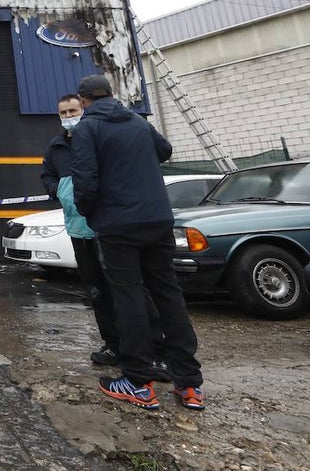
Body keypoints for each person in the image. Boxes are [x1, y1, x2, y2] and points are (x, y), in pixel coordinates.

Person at [69, 74, 204, 411]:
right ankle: (188, 384)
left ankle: (138, 382)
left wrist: (90, 212)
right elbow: (166, 150)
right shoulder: (137, 122)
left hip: (118, 225)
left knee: (127, 295)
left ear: (83, 100)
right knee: (168, 293)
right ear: (112, 94)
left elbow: (85, 181)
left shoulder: (88, 128)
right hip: (158, 219)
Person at [40, 94, 169, 377]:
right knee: (98, 291)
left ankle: (156, 350)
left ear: (83, 108)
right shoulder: (57, 146)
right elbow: (47, 174)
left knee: (132, 290)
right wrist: (59, 192)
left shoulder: (98, 135)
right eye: (63, 112)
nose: (68, 115)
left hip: (108, 227)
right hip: (78, 228)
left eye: (73, 109)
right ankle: (113, 344)